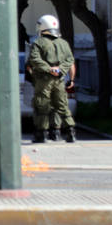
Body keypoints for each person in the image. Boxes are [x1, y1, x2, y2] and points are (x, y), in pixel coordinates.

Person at [27, 14, 76, 143]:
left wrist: (49, 69)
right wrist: (60, 70)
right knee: (61, 105)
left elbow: (34, 59)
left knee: (41, 105)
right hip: (60, 80)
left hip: (43, 80)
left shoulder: (38, 43)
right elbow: (70, 60)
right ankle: (70, 132)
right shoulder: (64, 43)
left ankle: (41, 134)